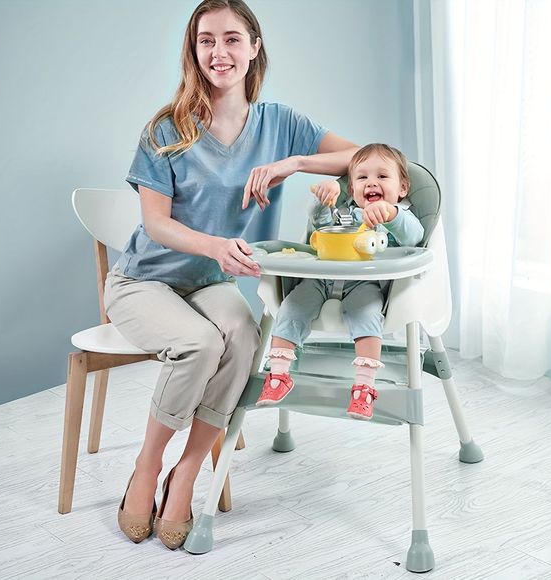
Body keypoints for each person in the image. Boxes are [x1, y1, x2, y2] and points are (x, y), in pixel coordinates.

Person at [104, 0, 359, 549]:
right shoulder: (166, 129)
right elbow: (156, 223)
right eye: (206, 40)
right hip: (143, 282)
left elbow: (362, 156)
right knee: (199, 344)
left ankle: (187, 473)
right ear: (193, 51)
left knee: (244, 337)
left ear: (254, 47)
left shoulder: (280, 124)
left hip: (208, 284)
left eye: (231, 39)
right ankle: (148, 466)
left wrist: (294, 162)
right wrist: (218, 246)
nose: (219, 52)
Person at [256, 144, 424, 419]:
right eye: (362, 177)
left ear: (403, 187)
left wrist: (391, 213)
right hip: (321, 279)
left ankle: (364, 387)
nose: (372, 183)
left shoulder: (399, 218)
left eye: (382, 176)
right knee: (291, 307)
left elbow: (414, 236)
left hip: (365, 285)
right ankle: (278, 376)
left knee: (367, 314)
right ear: (351, 189)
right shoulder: (345, 214)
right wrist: (323, 200)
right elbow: (319, 225)